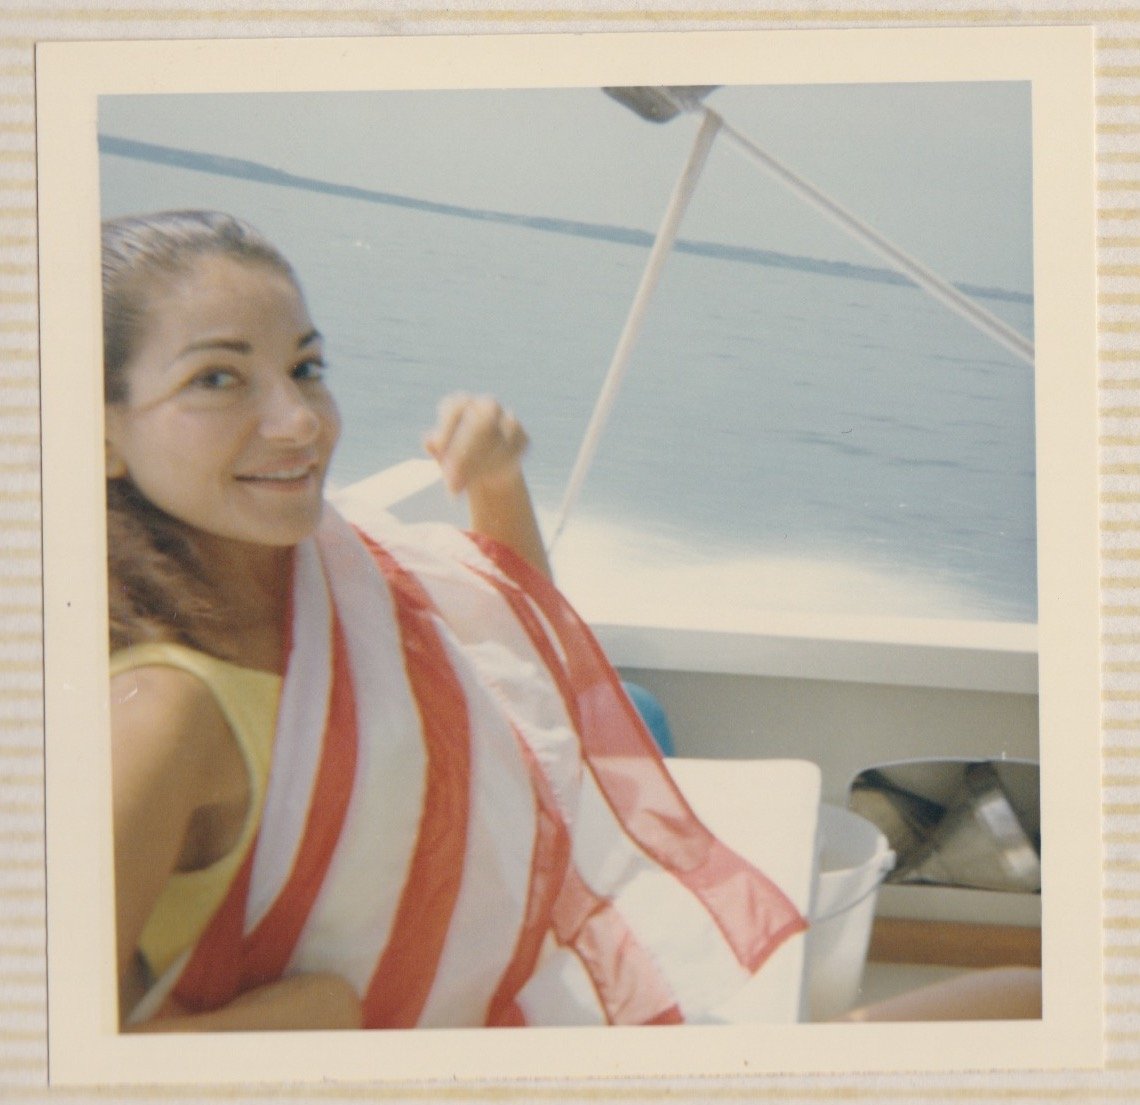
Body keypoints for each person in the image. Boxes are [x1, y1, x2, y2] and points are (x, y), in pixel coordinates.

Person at [103, 210, 810, 1032]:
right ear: (99, 430)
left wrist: (498, 483)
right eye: (216, 379)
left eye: (306, 366)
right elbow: (57, 1058)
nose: (298, 419)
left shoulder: (308, 565)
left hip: (496, 985)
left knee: (639, 710)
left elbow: (519, 660)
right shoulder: (165, 716)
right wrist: (316, 1012)